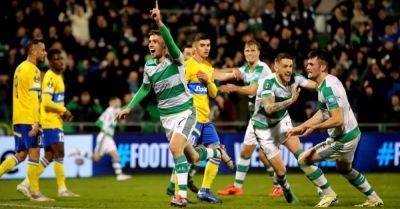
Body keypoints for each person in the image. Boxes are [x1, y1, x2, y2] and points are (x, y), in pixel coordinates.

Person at [116, 3, 231, 207]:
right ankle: (216, 152)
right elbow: (144, 89)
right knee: (194, 156)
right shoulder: (149, 66)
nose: (151, 44)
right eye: (149, 41)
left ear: (164, 45)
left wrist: (159, 22)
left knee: (174, 147)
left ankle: (180, 197)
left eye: (155, 41)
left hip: (186, 113)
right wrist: (129, 107)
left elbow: (169, 39)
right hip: (167, 118)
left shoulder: (177, 61)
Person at [219, 53, 336, 206]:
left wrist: (331, 83)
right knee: (281, 172)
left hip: (282, 123)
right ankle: (285, 186)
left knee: (302, 157)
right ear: (276, 68)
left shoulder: (295, 78)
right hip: (263, 130)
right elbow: (269, 108)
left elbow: (317, 84)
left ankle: (324, 190)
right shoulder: (267, 83)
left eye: (291, 66)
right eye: (285, 66)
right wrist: (290, 100)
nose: (289, 70)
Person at [288, 50, 384, 207]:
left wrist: (315, 128)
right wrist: (304, 126)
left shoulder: (327, 88)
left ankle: (329, 194)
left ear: (323, 66)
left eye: (312, 64)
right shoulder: (329, 81)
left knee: (304, 160)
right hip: (353, 133)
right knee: (345, 169)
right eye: (307, 63)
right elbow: (324, 112)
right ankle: (374, 198)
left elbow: (338, 120)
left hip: (342, 139)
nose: (307, 66)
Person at [214, 40, 283, 197]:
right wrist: (203, 70)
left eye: (253, 50)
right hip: (255, 118)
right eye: (247, 50)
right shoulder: (245, 69)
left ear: (259, 52)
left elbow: (252, 89)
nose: (249, 53)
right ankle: (237, 187)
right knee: (245, 152)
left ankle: (280, 186)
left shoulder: (263, 69)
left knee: (264, 156)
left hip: (267, 118)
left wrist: (234, 87)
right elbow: (225, 72)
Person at [17, 48, 79, 198]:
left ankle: (25, 183)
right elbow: (46, 102)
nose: (60, 61)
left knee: (50, 155)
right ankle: (62, 189)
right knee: (59, 153)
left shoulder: (58, 76)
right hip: (49, 121)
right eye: (56, 59)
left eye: (61, 59)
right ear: (50, 62)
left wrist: (62, 113)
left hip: (54, 120)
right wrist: (64, 110)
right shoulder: (51, 77)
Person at [0, 39, 53, 201]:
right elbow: (32, 98)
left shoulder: (19, 68)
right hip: (28, 118)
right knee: (35, 152)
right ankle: (35, 193)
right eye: (42, 50)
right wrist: (36, 122)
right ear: (33, 51)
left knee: (21, 154)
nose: (44, 53)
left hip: (18, 117)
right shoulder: (33, 70)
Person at [70, 97, 132, 181]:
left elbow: (98, 123)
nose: (119, 103)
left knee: (97, 158)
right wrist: (132, 101)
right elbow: (124, 109)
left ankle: (78, 152)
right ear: (112, 103)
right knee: (115, 155)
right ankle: (119, 175)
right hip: (105, 137)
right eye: (118, 102)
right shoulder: (112, 110)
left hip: (106, 136)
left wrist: (107, 124)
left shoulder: (108, 111)